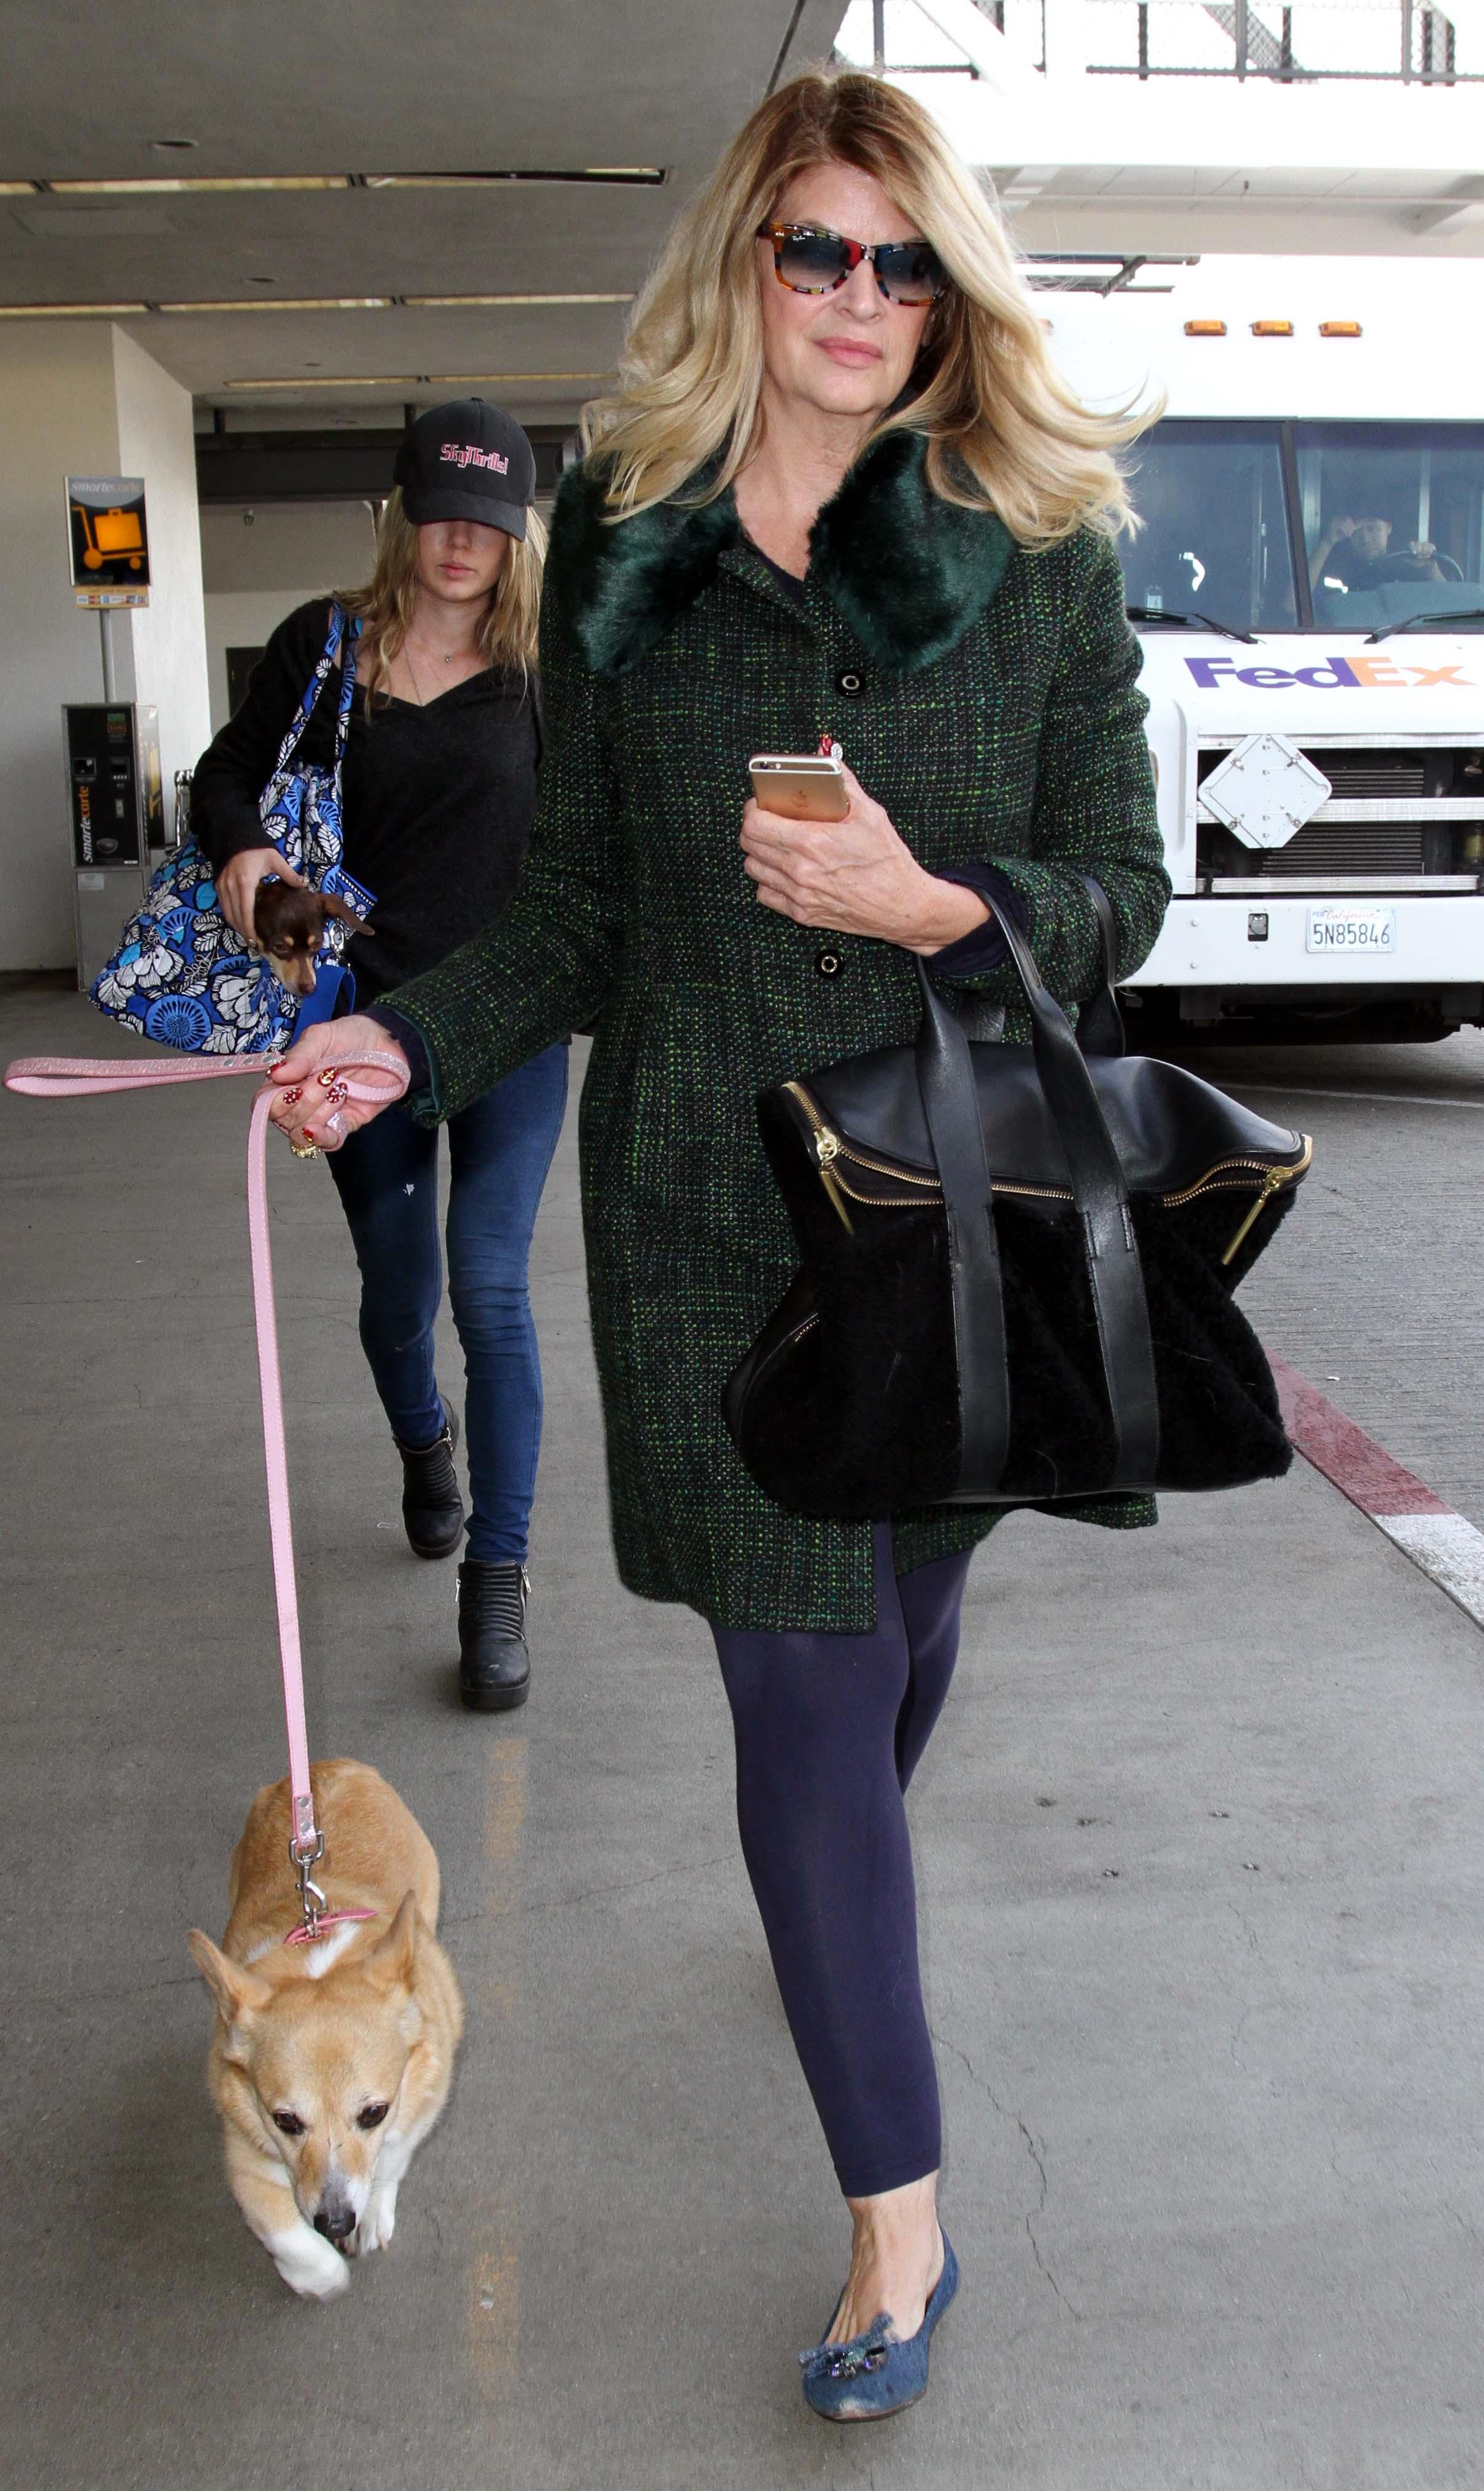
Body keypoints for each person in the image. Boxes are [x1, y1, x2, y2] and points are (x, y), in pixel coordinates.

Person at [268, 72, 1171, 2419]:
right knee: (800, 1692)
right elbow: (569, 910)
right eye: (815, 252)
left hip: (954, 1201)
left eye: (900, 258)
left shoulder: (1035, 540)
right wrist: (402, 1042)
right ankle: (905, 2221)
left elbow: (1120, 888)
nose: (858, 298)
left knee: (894, 1647)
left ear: (944, 283)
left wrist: (931, 903)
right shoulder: (630, 540)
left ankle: (836, 1888)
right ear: (742, 271)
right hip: (698, 1220)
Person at [193, 402, 566, 1713]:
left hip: (507, 1023)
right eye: (442, 510)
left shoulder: (546, 672)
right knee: (397, 1296)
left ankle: (499, 1583)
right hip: (360, 1030)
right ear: (400, 510)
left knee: (493, 1293)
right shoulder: (324, 647)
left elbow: (595, 853)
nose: (462, 541)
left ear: (517, 533)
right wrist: (246, 852)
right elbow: (224, 776)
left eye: (490, 519)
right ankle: (425, 1444)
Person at [1309, 511, 1447, 594]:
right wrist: (1327, 543)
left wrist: (1431, 568)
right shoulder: (1336, 566)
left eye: (1372, 528)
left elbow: (1448, 610)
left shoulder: (1411, 564)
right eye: (1356, 531)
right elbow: (1292, 606)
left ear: (1388, 528)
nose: (1366, 539)